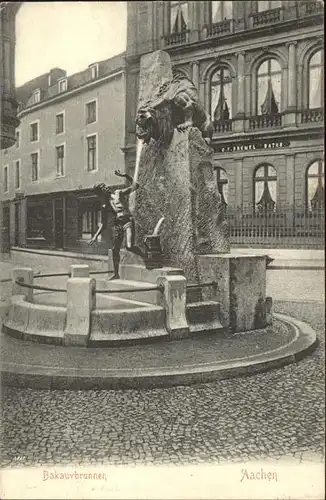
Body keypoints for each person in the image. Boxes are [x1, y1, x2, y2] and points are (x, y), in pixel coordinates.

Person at [88, 170, 146, 279]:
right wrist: (95, 236)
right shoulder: (105, 206)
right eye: (102, 189)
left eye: (104, 187)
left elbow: (136, 186)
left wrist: (126, 175)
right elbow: (103, 224)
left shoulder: (119, 193)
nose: (105, 189)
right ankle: (116, 274)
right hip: (117, 225)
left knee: (129, 246)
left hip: (127, 221)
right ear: (100, 193)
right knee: (115, 250)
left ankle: (146, 257)